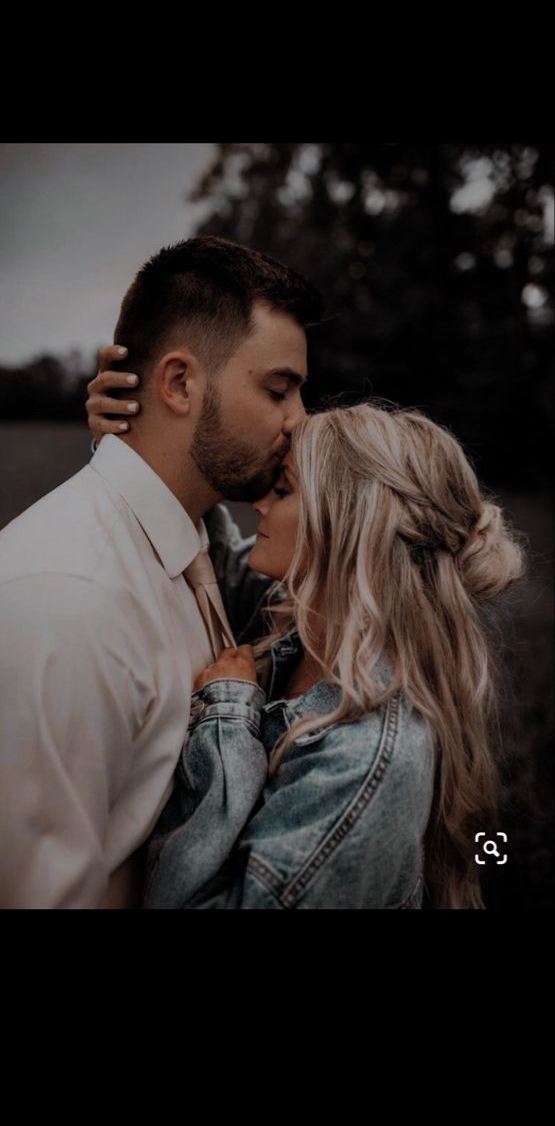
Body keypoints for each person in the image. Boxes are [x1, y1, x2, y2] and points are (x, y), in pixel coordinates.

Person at [87, 381, 526, 908]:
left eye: (285, 489)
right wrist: (141, 444)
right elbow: (205, 560)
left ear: (346, 526)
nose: (259, 504)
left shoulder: (362, 762)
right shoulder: (311, 626)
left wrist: (227, 721)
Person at [0, 235, 322, 909]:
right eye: (278, 389)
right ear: (178, 383)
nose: (299, 421)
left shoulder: (194, 545)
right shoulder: (66, 600)